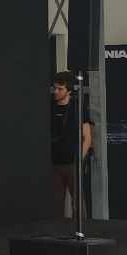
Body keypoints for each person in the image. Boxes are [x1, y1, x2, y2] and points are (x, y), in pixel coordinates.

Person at [50, 71, 93, 220]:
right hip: (54, 163)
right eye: (55, 88)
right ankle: (56, 231)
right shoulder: (50, 107)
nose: (56, 91)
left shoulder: (77, 107)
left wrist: (79, 160)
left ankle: (81, 231)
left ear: (68, 90)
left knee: (78, 205)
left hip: (72, 163)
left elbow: (87, 137)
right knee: (55, 205)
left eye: (60, 89)